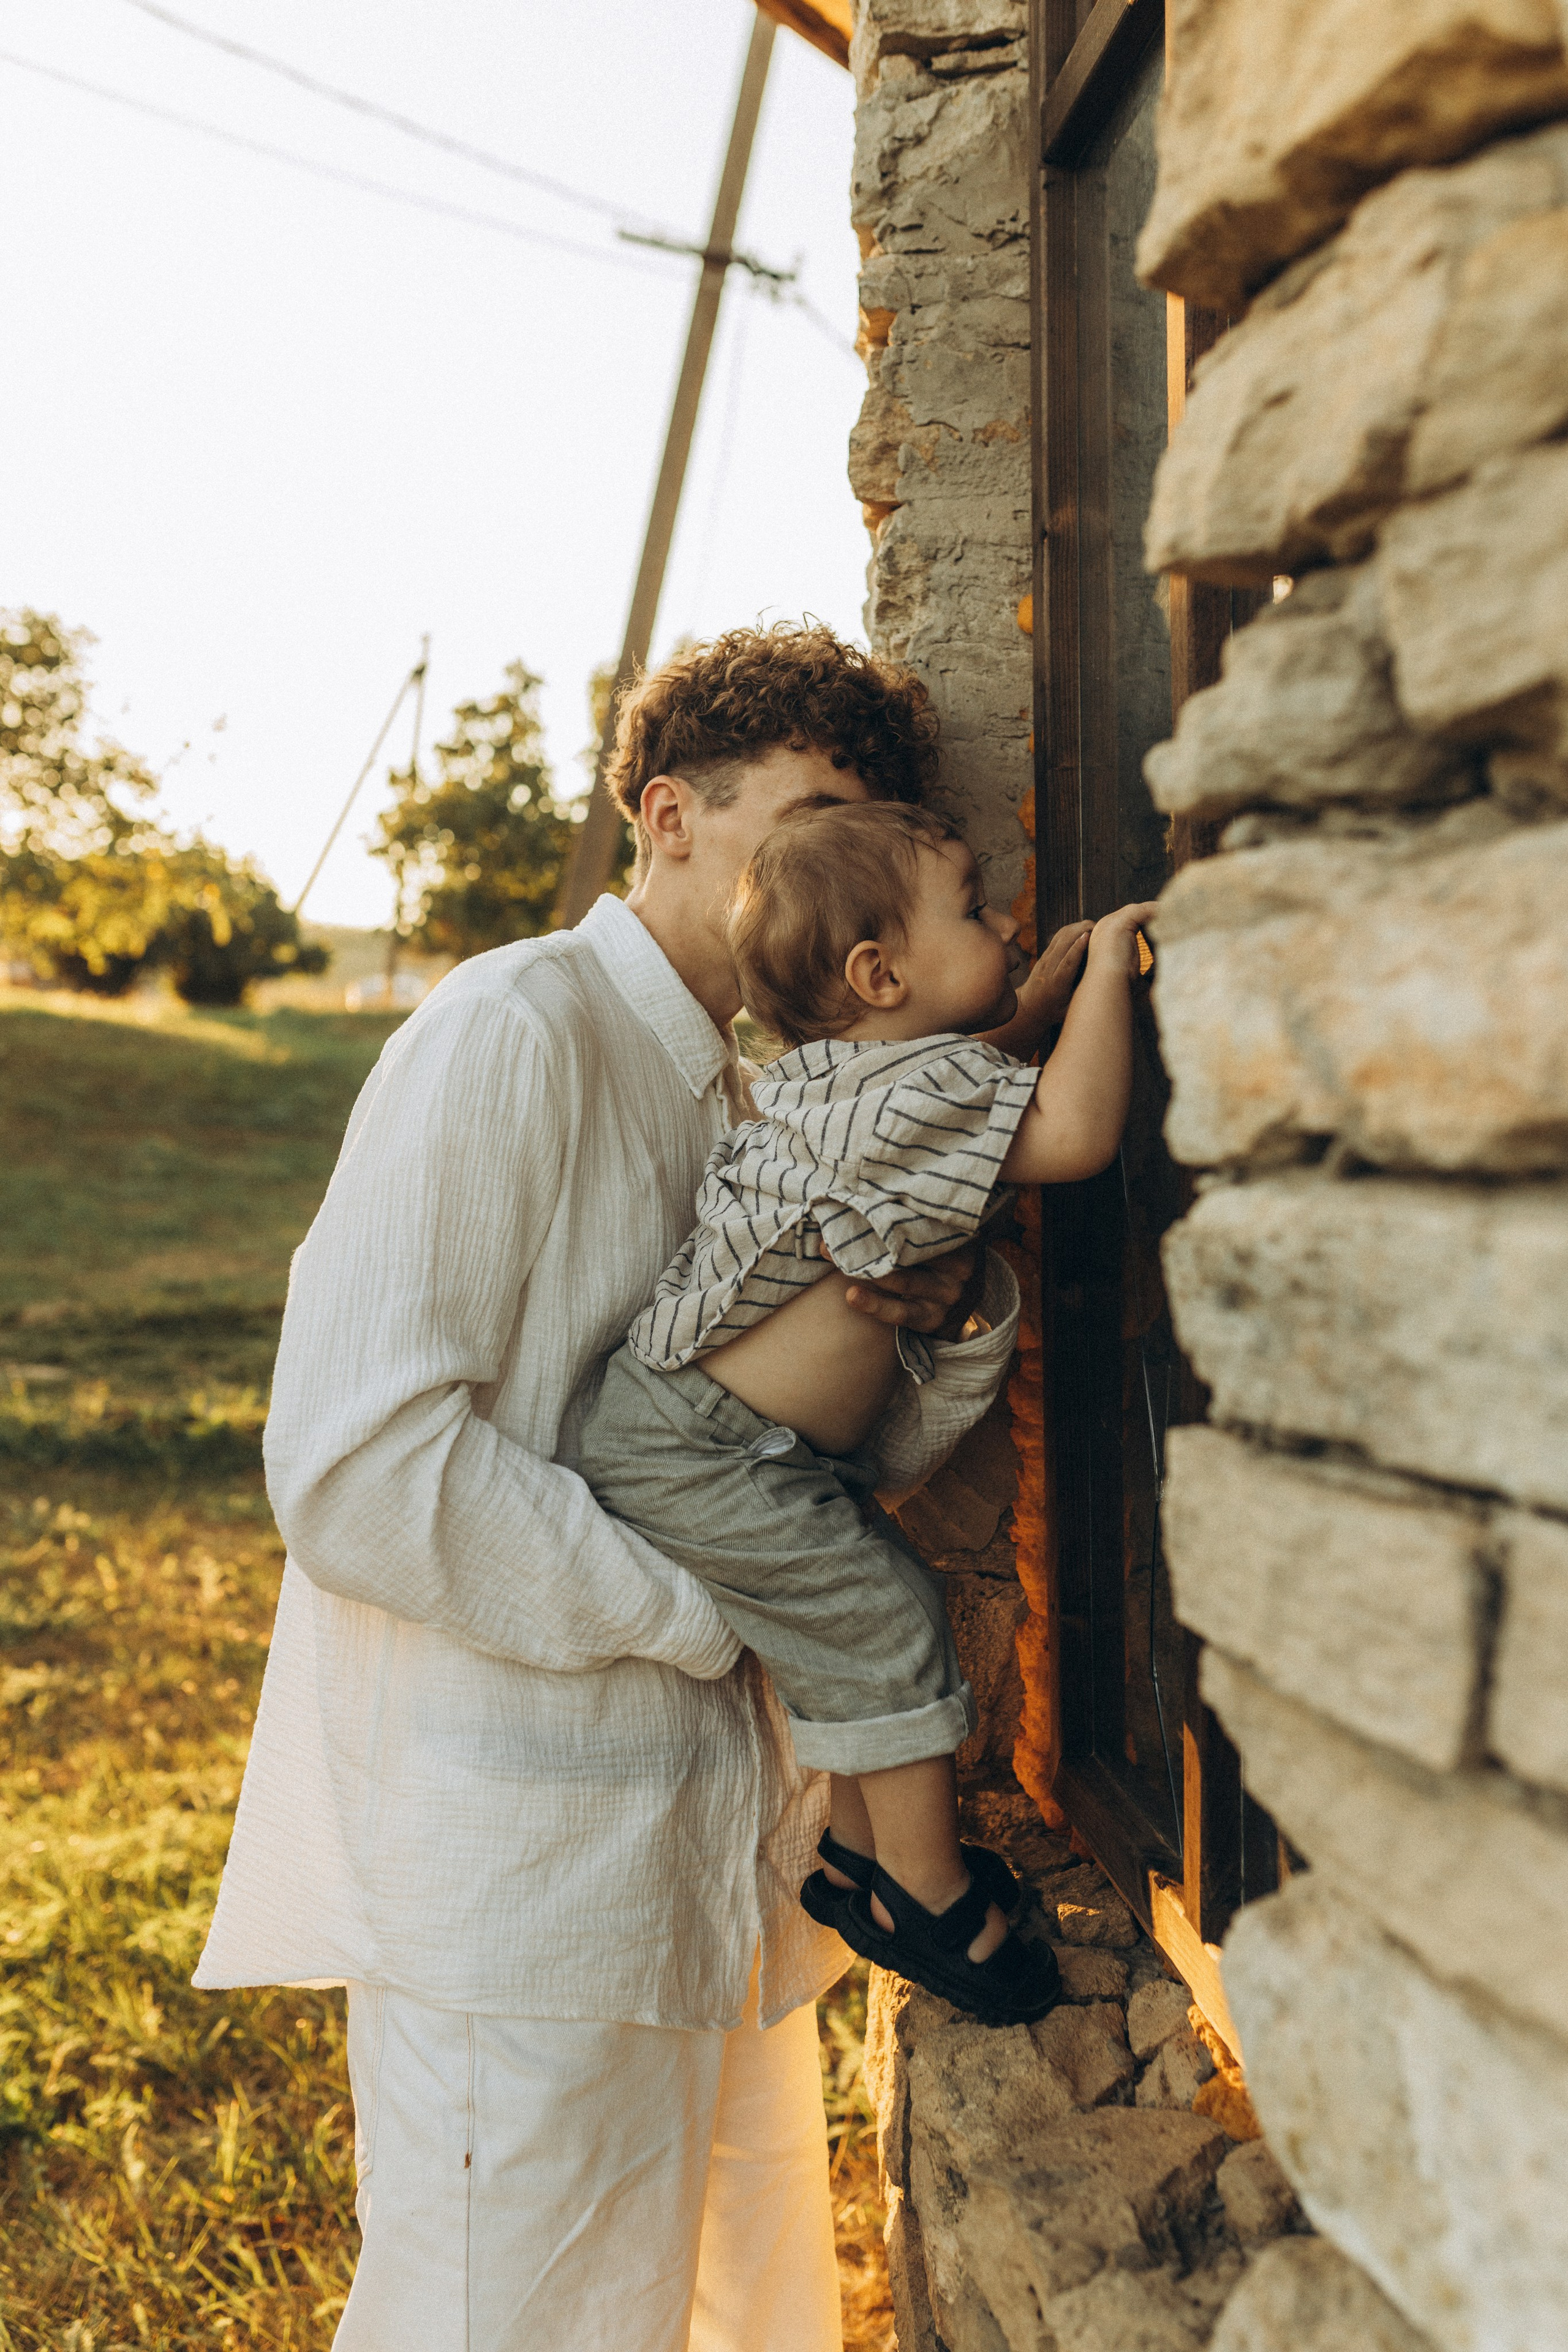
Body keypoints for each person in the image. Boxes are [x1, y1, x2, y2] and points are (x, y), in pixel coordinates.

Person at [192, 624, 1079, 2352]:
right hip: (519, 1889)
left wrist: (957, 1310)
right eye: (808, 814)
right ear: (668, 818)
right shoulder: (510, 1029)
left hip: (697, 1881)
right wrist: (711, 1605)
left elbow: (805, 1468)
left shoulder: (768, 1099)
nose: (846, 872)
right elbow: (361, 1465)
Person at [578, 801, 1153, 2027]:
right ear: (879, 973)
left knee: (858, 1620)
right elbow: (1072, 1131)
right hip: (705, 1453)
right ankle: (927, 1893)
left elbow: (975, 1061)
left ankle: (852, 1855)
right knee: (886, 1624)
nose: (1003, 919)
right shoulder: (914, 1099)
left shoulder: (854, 1076)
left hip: (734, 1446)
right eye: (970, 906)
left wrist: (1027, 1006)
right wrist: (1102, 966)